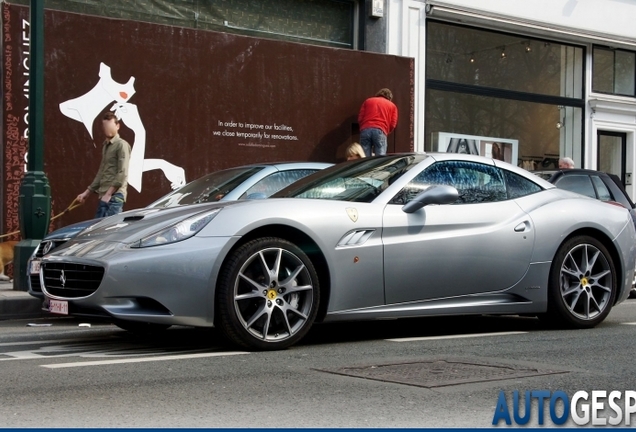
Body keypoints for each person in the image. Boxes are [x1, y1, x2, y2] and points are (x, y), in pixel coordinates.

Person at [76, 111, 132, 218]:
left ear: (117, 126)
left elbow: (122, 173)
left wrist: (109, 194)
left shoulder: (122, 145)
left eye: (111, 126)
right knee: (99, 231)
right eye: (106, 126)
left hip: (115, 196)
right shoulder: (106, 146)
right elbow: (101, 172)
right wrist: (86, 193)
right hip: (104, 196)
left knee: (110, 231)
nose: (108, 129)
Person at [358, 88, 398, 157]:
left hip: (365, 130)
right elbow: (393, 124)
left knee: (364, 158)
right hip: (380, 130)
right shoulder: (392, 106)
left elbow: (360, 118)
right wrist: (386, 131)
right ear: (390, 97)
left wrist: (364, 127)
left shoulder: (368, 101)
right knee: (380, 158)